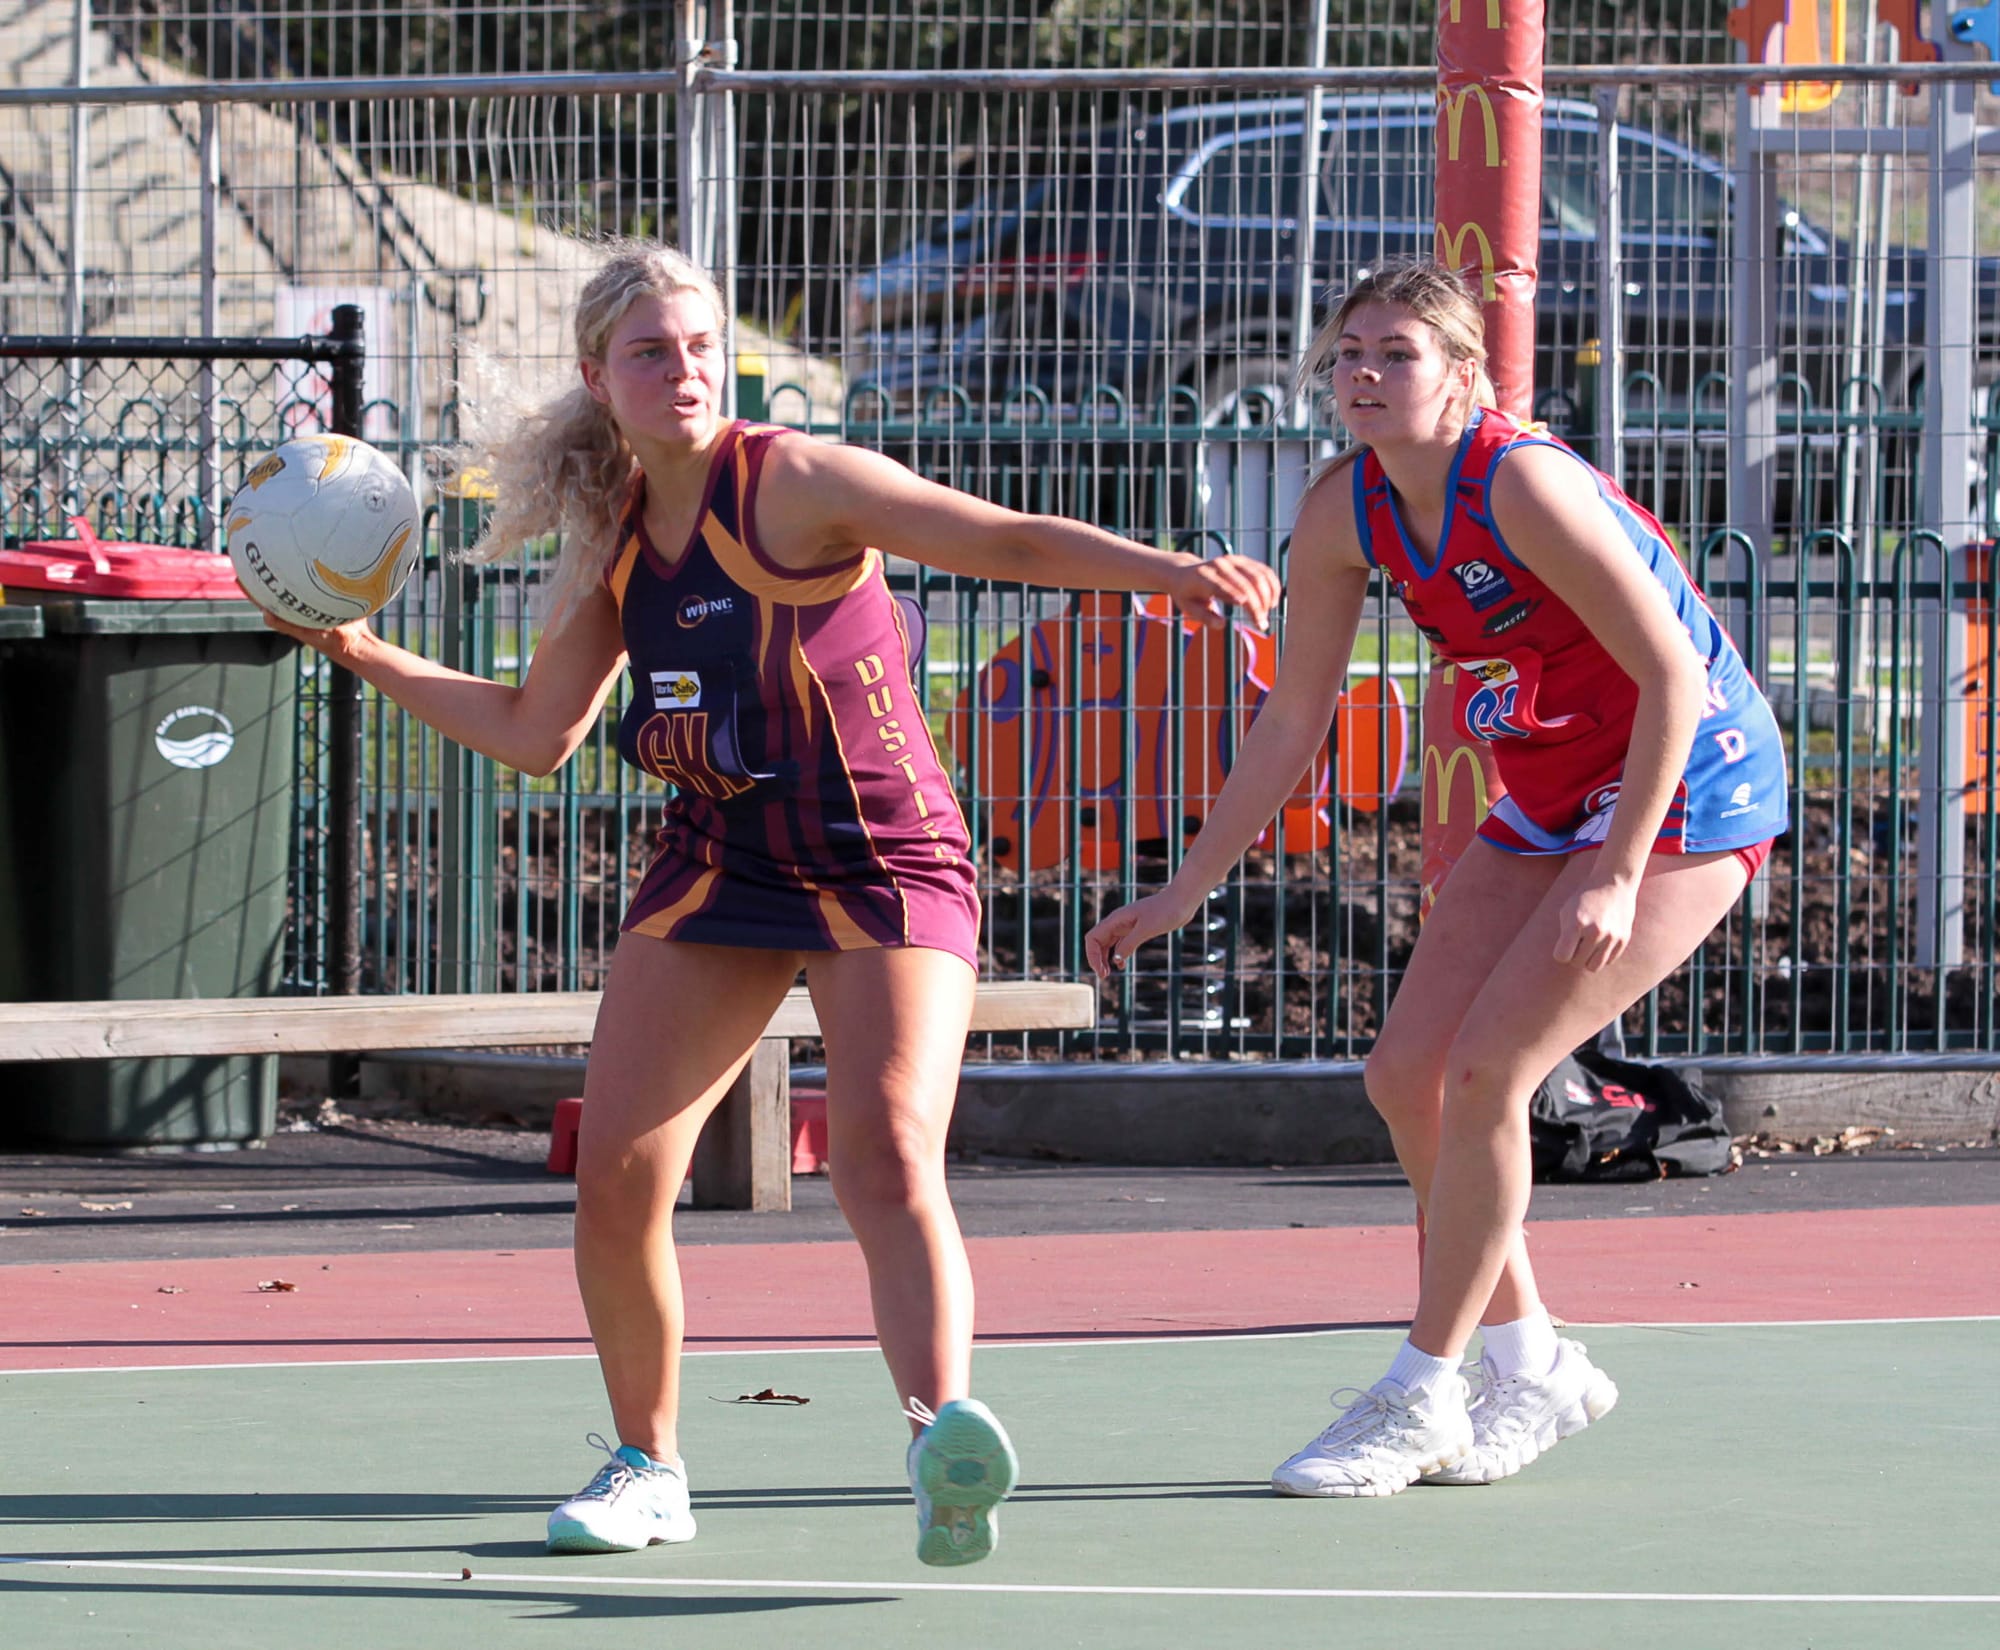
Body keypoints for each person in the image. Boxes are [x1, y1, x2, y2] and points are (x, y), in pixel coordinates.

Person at [251, 241, 1279, 1563]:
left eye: (697, 345)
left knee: (886, 1150)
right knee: (620, 1176)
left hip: (883, 852)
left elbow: (991, 532)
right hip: (723, 855)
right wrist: (357, 645)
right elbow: (531, 731)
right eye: (648, 352)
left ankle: (939, 1436)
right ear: (596, 377)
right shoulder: (623, 537)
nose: (682, 370)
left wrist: (1162, 571)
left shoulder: (792, 480)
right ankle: (648, 1465)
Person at [1085, 259, 1786, 1497]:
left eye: (1396, 353)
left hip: (1685, 789)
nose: (1361, 373)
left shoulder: (1521, 484)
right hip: (1558, 793)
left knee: (1491, 1072)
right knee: (1405, 1075)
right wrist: (1184, 887)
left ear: (1463, 375)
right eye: (1345, 352)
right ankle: (1535, 1364)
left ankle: (1421, 1390)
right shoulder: (1340, 508)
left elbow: (1674, 679)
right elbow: (1292, 720)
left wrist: (1617, 872)